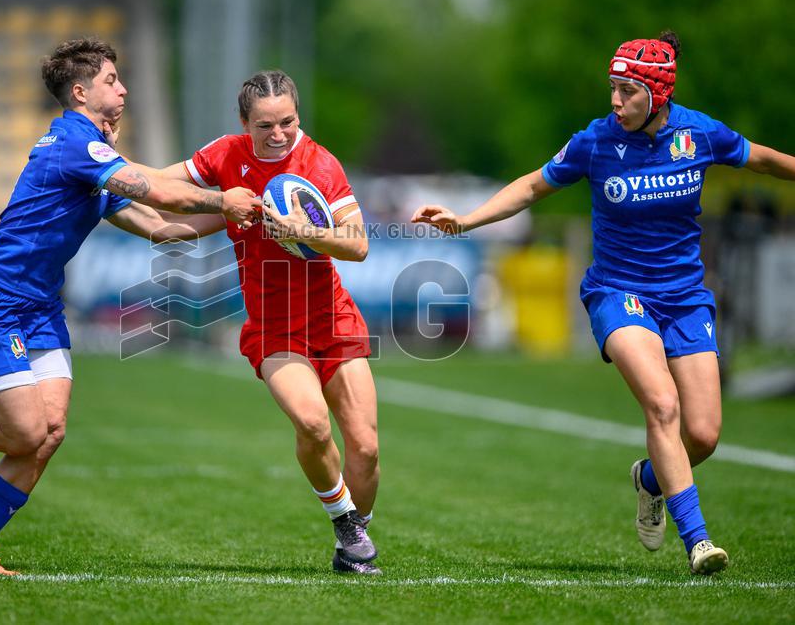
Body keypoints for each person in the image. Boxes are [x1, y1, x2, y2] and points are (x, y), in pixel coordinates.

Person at [411, 31, 795, 576]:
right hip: (619, 293)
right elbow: (531, 187)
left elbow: (760, 158)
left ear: (657, 95)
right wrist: (467, 219)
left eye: (627, 91)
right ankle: (699, 542)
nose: (615, 101)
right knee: (662, 405)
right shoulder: (596, 141)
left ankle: (648, 480)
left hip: (685, 298)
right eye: (612, 88)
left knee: (704, 434)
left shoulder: (699, 134)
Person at [0, 38, 259, 575]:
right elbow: (161, 193)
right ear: (81, 92)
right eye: (112, 79)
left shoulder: (93, 152)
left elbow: (161, 228)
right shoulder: (72, 145)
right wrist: (225, 196)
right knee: (26, 432)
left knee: (50, 430)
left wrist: (247, 215)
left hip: (38, 309)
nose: (123, 88)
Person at [154, 70, 381, 574]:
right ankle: (344, 519)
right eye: (265, 126)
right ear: (244, 123)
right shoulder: (226, 155)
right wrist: (102, 179)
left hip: (333, 318)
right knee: (312, 421)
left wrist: (303, 229)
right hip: (275, 329)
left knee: (364, 449)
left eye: (288, 122)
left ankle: (352, 542)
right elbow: (156, 183)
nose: (278, 135)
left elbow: (359, 244)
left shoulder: (320, 162)